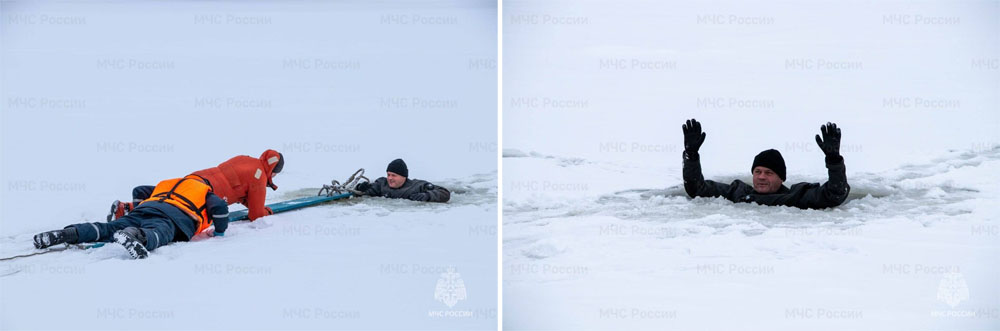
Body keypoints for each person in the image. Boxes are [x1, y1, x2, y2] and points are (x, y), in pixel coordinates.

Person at [33, 175, 230, 259]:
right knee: (159, 232)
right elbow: (220, 207)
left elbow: (140, 189)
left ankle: (66, 233)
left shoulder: (168, 183)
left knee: (108, 228)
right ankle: (136, 235)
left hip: (145, 209)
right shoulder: (205, 191)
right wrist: (219, 232)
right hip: (173, 217)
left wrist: (138, 207)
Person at [681, 118, 850, 209]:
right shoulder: (737, 191)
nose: (761, 177)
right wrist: (691, 155)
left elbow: (835, 194)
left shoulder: (796, 197)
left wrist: (834, 160)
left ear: (781, 178)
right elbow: (696, 189)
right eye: (758, 171)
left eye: (769, 173)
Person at [108, 149, 284, 222]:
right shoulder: (259, 177)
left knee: (170, 196)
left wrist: (245, 200)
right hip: (208, 191)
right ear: (273, 170)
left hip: (197, 177)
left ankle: (127, 208)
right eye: (276, 173)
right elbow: (256, 215)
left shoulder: (245, 159)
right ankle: (140, 216)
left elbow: (237, 186)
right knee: (178, 208)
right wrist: (268, 211)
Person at [355, 159, 450, 203]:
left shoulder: (417, 186)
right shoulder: (381, 184)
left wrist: (427, 196)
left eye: (394, 175)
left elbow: (445, 193)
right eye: (388, 175)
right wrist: (360, 187)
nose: (390, 178)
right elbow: (365, 192)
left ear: (403, 176)